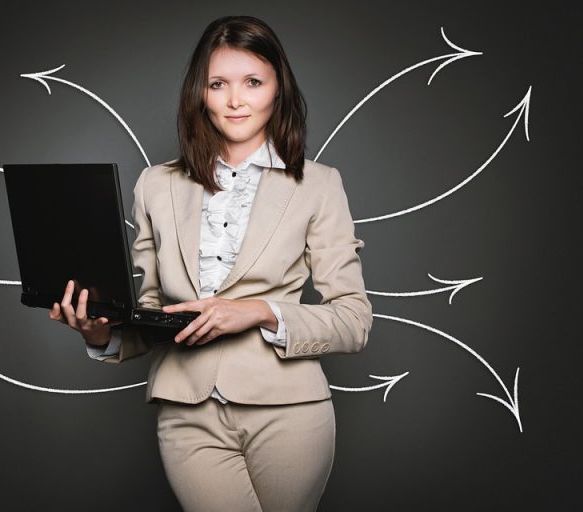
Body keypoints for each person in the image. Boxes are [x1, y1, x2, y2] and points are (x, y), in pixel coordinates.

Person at [49, 15, 372, 512]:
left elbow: (354, 320)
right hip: (185, 408)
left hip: (289, 410)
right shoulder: (155, 185)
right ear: (199, 93)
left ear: (278, 90)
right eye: (218, 84)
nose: (235, 99)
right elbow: (155, 312)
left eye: (253, 82)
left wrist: (261, 311)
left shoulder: (319, 184)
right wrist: (99, 333)